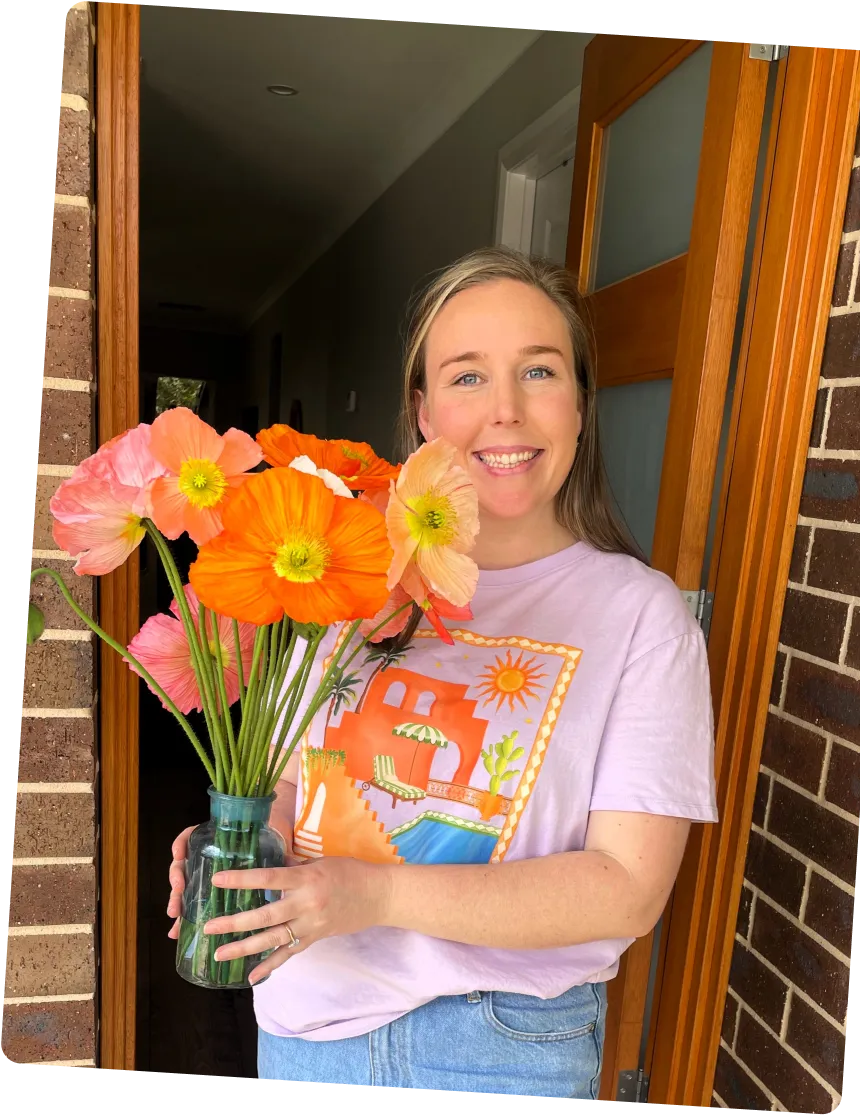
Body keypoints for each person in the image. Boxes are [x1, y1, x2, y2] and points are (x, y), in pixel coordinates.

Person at [167, 247, 718, 1098]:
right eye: (467, 377)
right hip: (310, 1022)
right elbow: (286, 783)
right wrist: (248, 847)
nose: (505, 409)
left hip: (509, 1044)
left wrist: (374, 896)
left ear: (580, 403)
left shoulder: (640, 616)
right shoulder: (340, 575)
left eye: (539, 370)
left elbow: (625, 890)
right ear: (423, 412)